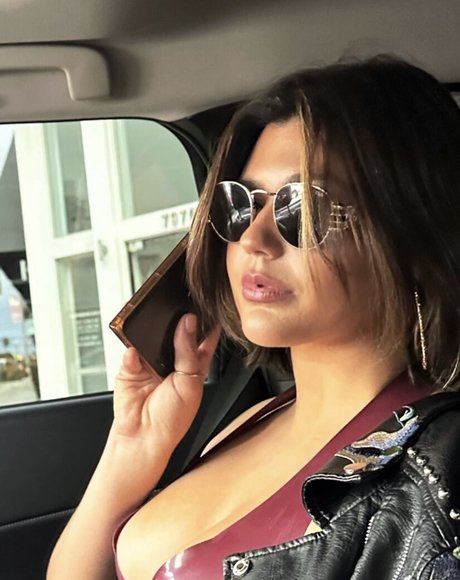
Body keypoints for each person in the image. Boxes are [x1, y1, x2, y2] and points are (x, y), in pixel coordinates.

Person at [47, 55, 460, 580]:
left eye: (303, 208)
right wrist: (133, 449)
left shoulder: (436, 468)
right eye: (242, 203)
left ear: (412, 237)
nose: (252, 238)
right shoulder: (255, 419)